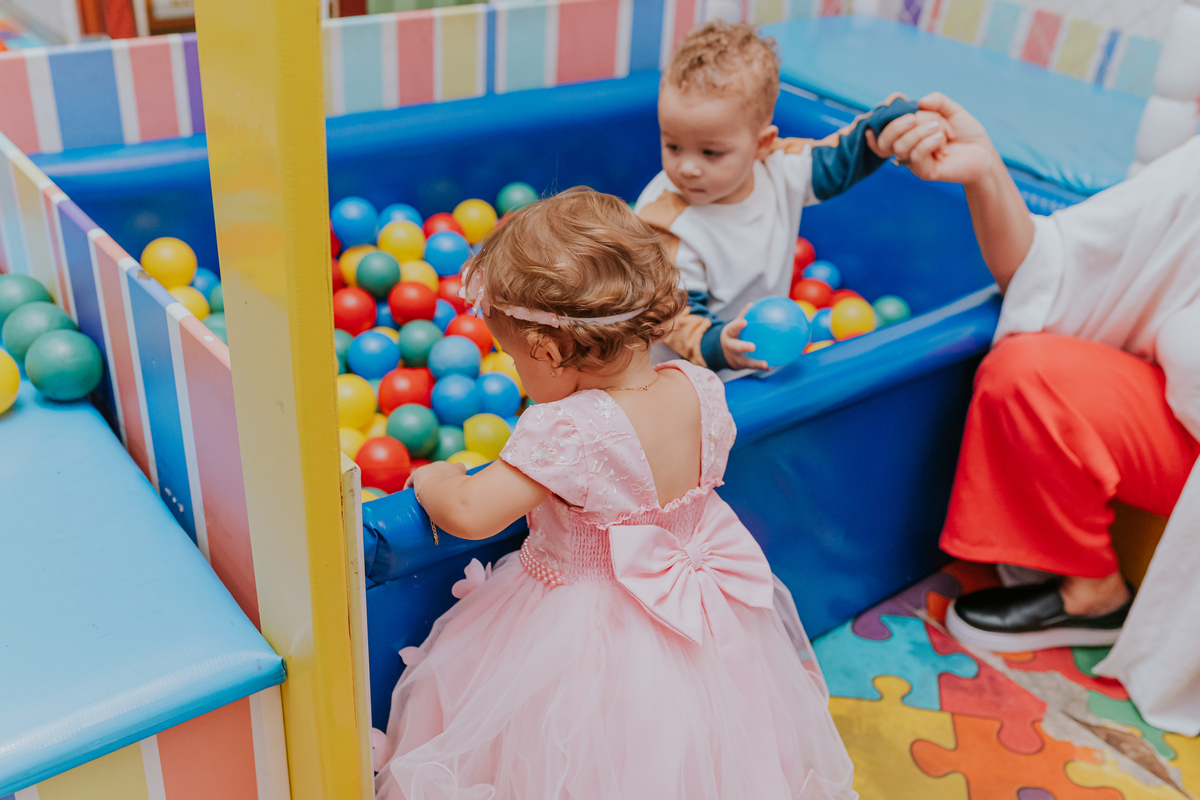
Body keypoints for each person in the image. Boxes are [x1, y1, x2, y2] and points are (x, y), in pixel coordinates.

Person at [372, 189, 858, 799]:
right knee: (696, 751)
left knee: (574, 763)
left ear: (549, 351)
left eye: (514, 358)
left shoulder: (569, 428)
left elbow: (472, 513)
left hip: (583, 634)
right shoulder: (700, 386)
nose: (518, 372)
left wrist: (435, 478)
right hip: (702, 614)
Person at [874, 94, 1200, 734]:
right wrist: (985, 171)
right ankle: (1093, 590)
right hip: (1176, 420)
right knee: (1027, 375)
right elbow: (1059, 267)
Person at [634, 20, 948, 372]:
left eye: (711, 153)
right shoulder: (663, 223)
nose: (688, 168)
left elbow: (838, 158)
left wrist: (881, 128)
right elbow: (674, 312)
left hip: (759, 350)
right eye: (673, 146)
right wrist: (718, 344)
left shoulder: (780, 168)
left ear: (761, 145)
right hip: (681, 374)